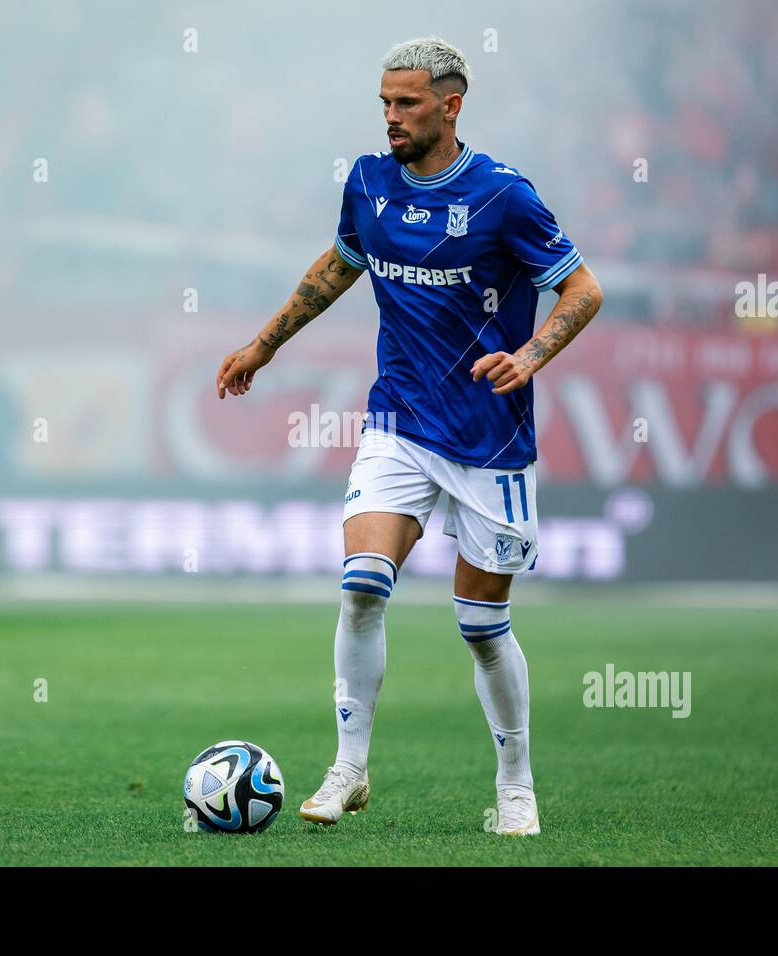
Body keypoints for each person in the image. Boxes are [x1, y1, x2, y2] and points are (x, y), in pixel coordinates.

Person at [215, 36, 602, 835]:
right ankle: (349, 770)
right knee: (361, 585)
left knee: (482, 628)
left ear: (450, 105)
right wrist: (263, 345)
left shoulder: (503, 196)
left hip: (490, 441)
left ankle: (516, 787)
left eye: (407, 104)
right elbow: (339, 264)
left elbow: (583, 289)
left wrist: (530, 355)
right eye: (385, 103)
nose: (391, 117)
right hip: (398, 422)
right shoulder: (368, 182)